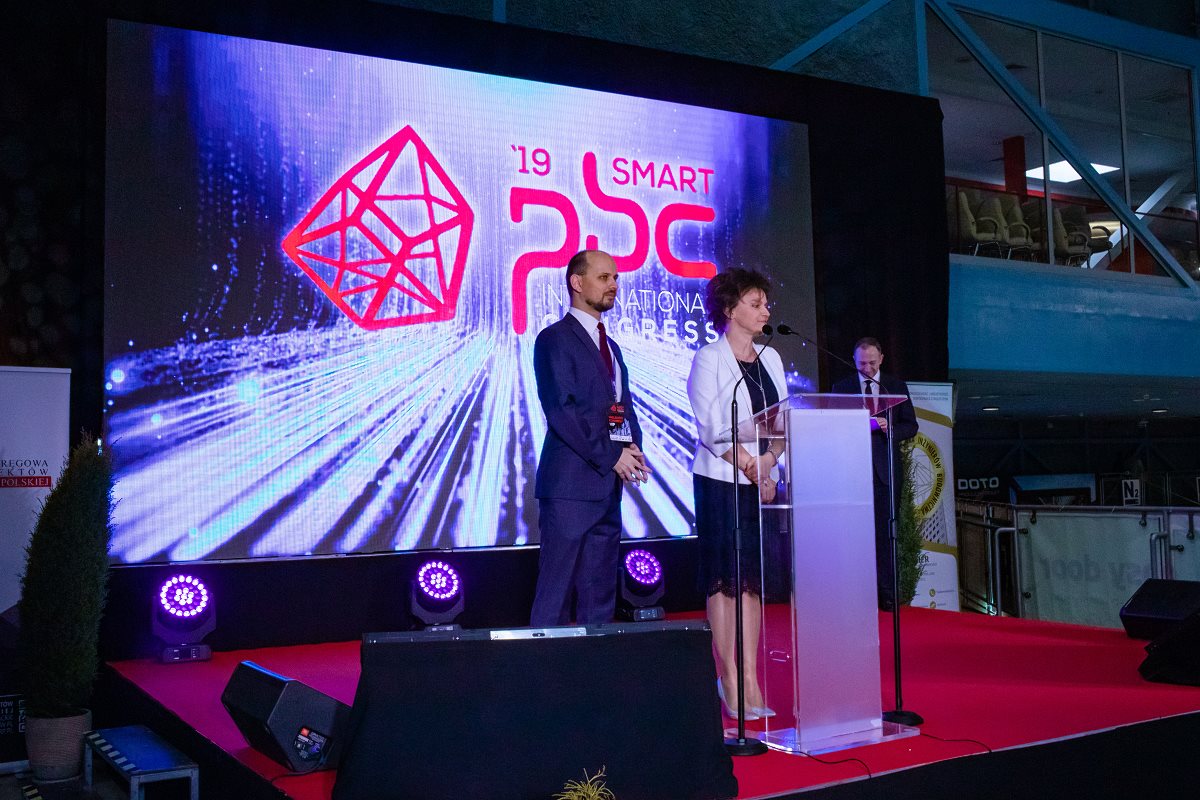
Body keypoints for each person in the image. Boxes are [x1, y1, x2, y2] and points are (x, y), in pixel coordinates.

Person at [530, 250, 651, 627]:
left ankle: (593, 665)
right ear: (577, 282)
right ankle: (542, 666)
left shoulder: (611, 347)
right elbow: (562, 411)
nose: (613, 284)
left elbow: (620, 407)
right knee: (555, 597)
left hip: (606, 489)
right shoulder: (554, 339)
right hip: (569, 489)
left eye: (615, 278)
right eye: (603, 277)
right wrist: (612, 457)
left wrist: (632, 447)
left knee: (599, 598)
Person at [687, 268, 786, 720]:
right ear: (729, 309)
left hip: (758, 480)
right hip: (719, 481)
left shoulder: (772, 359)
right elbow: (713, 427)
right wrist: (750, 465)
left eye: (766, 303)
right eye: (755, 303)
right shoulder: (709, 358)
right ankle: (729, 677)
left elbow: (783, 422)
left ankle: (751, 677)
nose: (765, 311)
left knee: (750, 583)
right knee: (725, 581)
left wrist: (769, 465)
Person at [832, 337, 918, 610]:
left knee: (885, 535)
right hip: (852, 473)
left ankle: (887, 594)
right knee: (853, 537)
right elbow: (833, 427)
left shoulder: (895, 386)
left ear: (881, 359)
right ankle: (856, 594)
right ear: (854, 361)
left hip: (885, 474)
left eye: (871, 363)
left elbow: (911, 426)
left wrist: (888, 428)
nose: (867, 369)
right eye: (861, 364)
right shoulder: (841, 388)